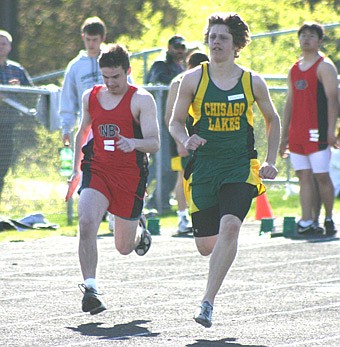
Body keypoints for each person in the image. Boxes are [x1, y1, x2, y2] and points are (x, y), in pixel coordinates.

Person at [169, 12, 280, 328]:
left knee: (231, 225)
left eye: (223, 38)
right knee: (207, 247)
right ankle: (222, 256)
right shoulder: (193, 79)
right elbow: (175, 122)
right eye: (212, 36)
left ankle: (207, 302)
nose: (216, 42)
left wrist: (271, 159)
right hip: (204, 168)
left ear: (236, 46)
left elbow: (273, 119)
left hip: (239, 166)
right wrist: (185, 138)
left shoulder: (252, 81)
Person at [66, 43, 160, 315]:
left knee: (123, 247)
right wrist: (76, 170)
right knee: (86, 222)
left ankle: (140, 229)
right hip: (98, 169)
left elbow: (154, 143)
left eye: (116, 77)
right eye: (105, 77)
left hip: (130, 175)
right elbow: (82, 132)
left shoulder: (142, 99)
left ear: (128, 71)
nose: (110, 83)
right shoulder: (91, 96)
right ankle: (91, 289)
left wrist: (133, 142)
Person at [279, 22, 339, 236]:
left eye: (311, 36)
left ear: (320, 40)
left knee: (322, 176)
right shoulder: (294, 68)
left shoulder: (325, 66)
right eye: (303, 35)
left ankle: (328, 218)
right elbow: (290, 102)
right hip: (298, 132)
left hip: (318, 132)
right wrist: (284, 135)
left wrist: (332, 130)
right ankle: (307, 220)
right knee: (303, 176)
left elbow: (333, 100)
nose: (306, 39)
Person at [165, 52, 209, 234]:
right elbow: (169, 116)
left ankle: (203, 215)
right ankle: (182, 217)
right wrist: (180, 142)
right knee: (183, 176)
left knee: (203, 176)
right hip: (182, 137)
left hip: (201, 136)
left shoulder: (210, 79)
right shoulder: (179, 82)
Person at [146, 35, 187, 213]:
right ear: (169, 47)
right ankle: (149, 201)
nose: (179, 51)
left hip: (173, 121)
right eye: (177, 47)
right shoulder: (160, 64)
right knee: (161, 165)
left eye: (182, 48)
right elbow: (159, 83)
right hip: (159, 122)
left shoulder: (181, 66)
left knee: (173, 165)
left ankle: (159, 201)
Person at [0, 30, 33, 198]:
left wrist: (18, 89)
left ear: (10, 47)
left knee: (2, 168)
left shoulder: (16, 69)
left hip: (8, 126)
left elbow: (32, 95)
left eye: (3, 43)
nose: (0, 46)